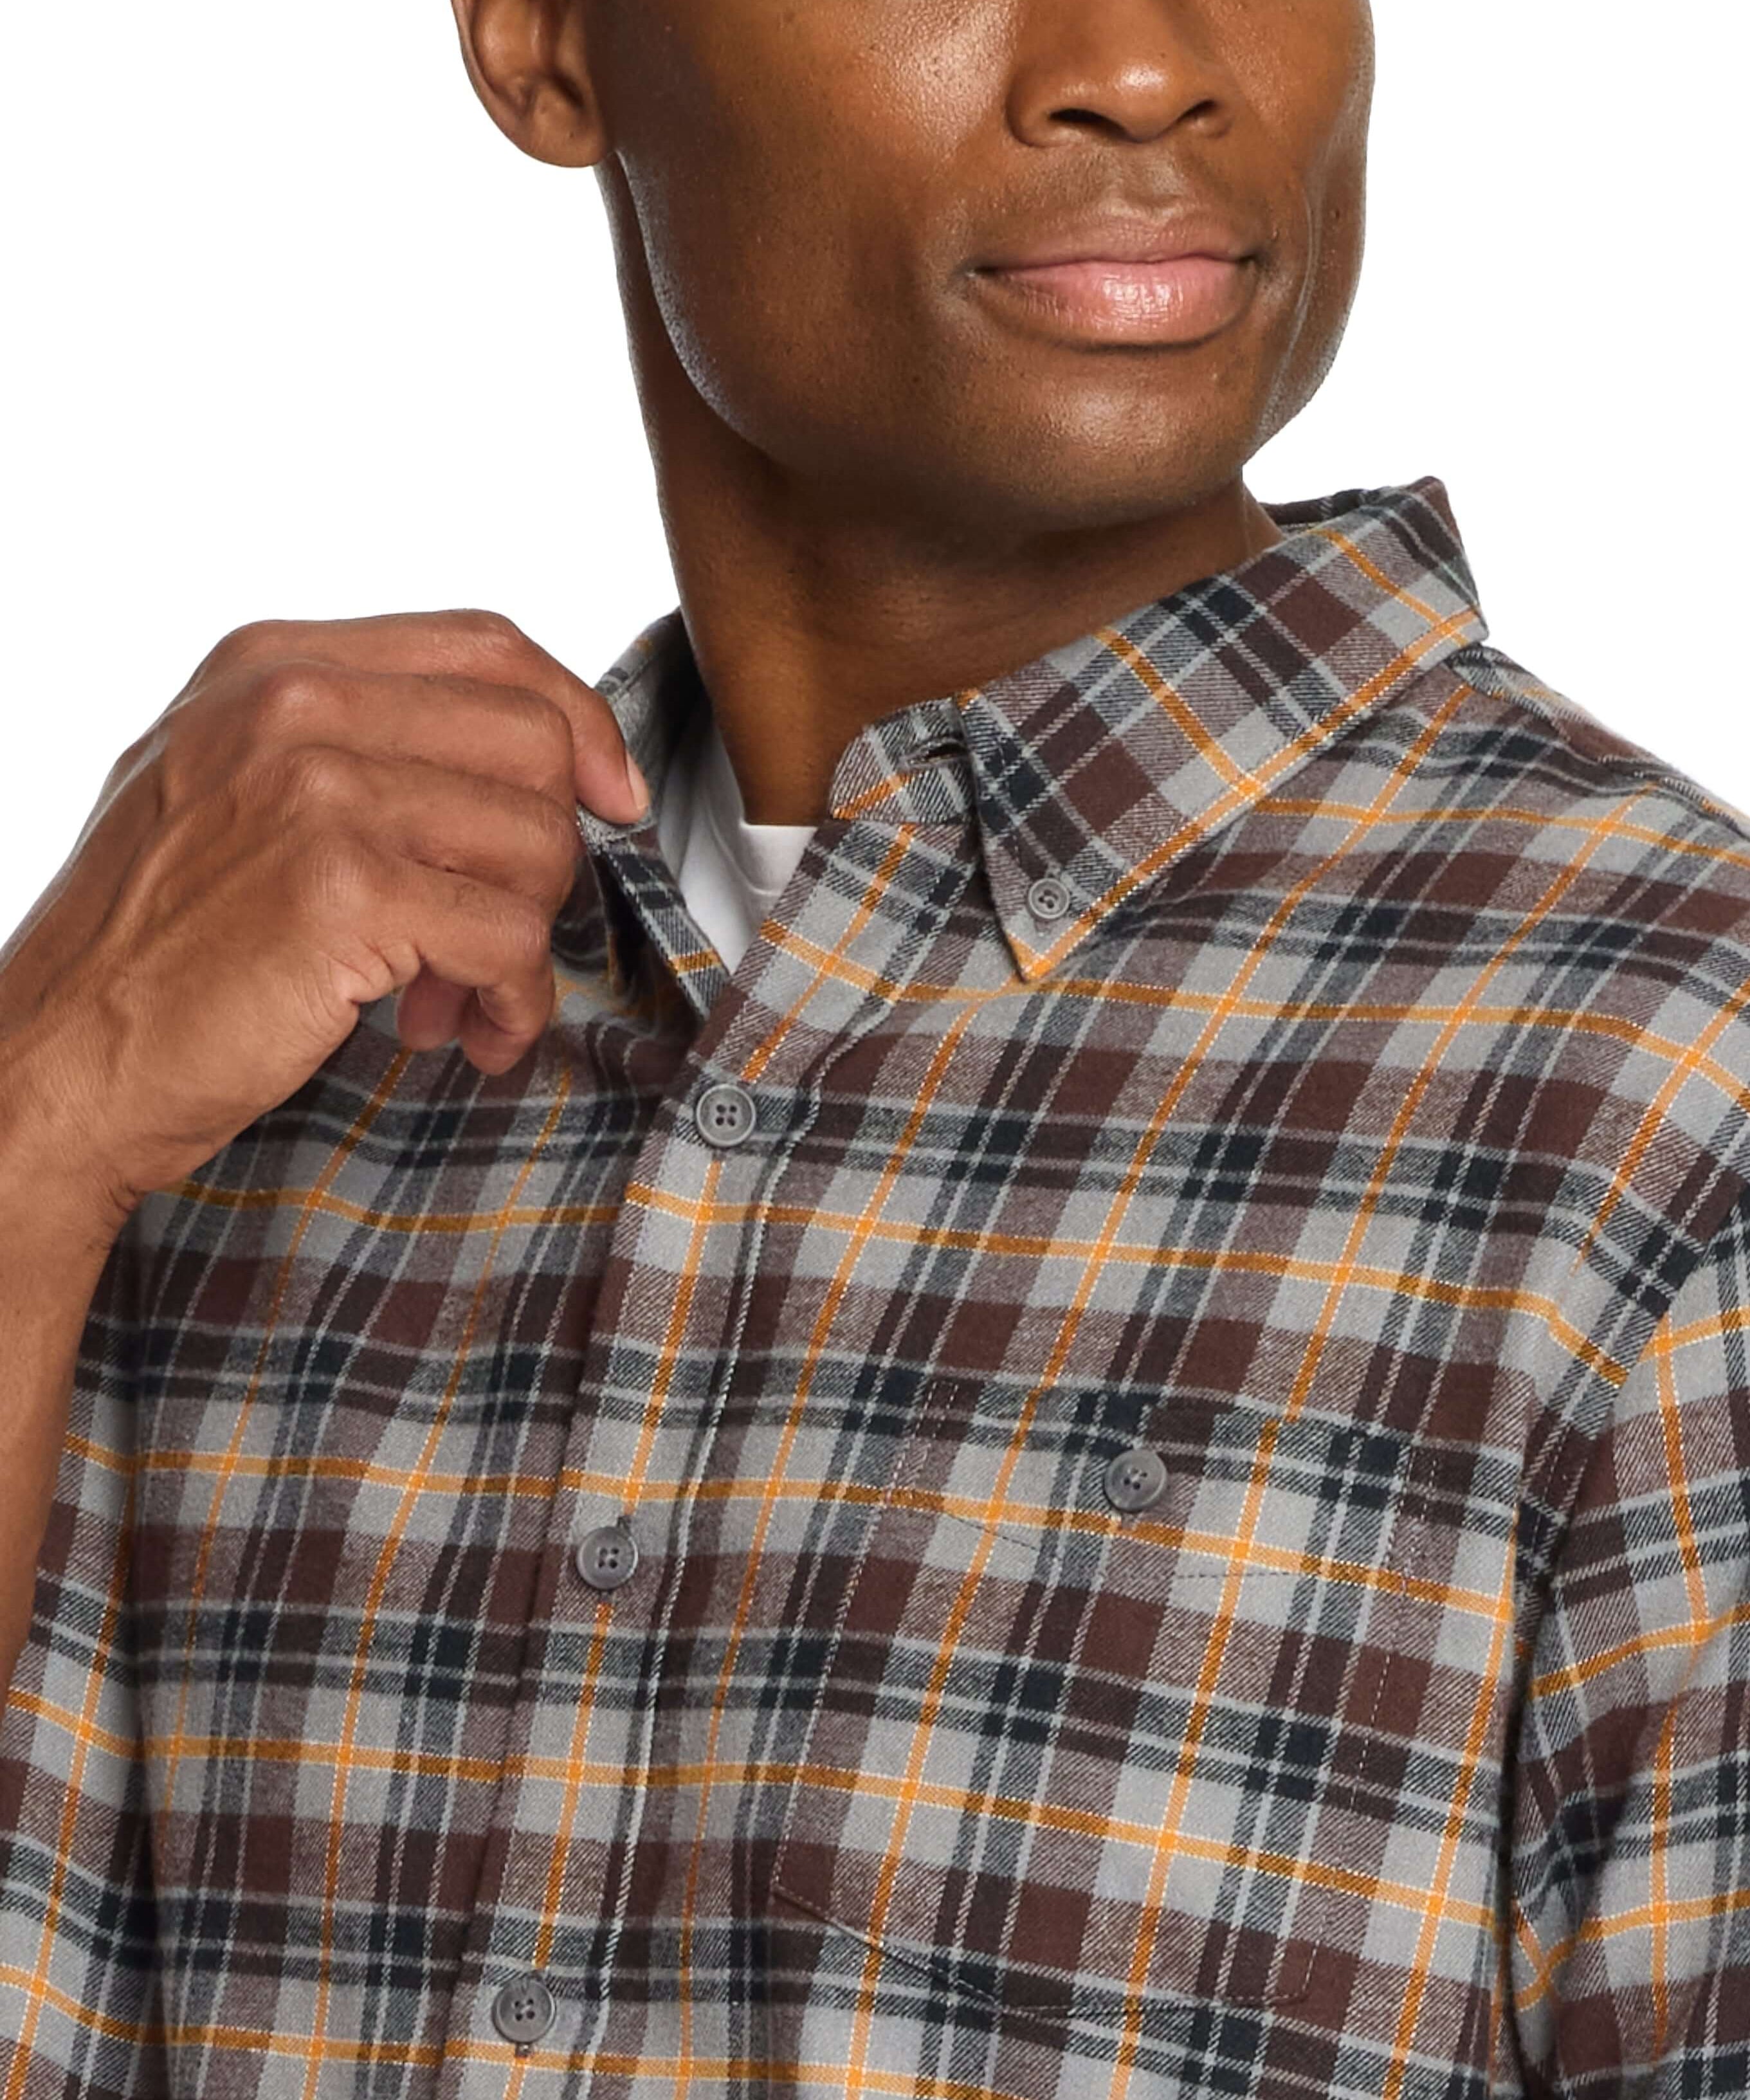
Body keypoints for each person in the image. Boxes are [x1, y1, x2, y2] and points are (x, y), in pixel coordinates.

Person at [1, 1, 1745, 2094]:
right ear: (545, 44)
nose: (1141, 61)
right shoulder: (248, 1069)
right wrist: (26, 1134)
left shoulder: (1670, 1107)